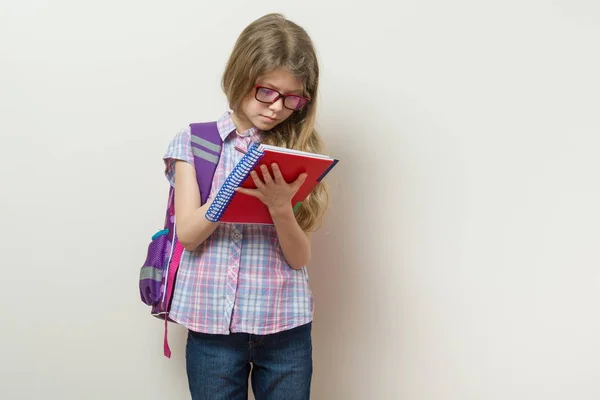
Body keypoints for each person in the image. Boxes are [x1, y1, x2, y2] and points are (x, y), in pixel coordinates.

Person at [162, 13, 330, 400]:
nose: (276, 109)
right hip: (211, 328)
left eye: (292, 99)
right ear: (240, 76)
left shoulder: (295, 153)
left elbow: (299, 255)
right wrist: (231, 188)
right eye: (266, 92)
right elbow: (187, 234)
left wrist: (280, 207)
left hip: (285, 326)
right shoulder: (195, 142)